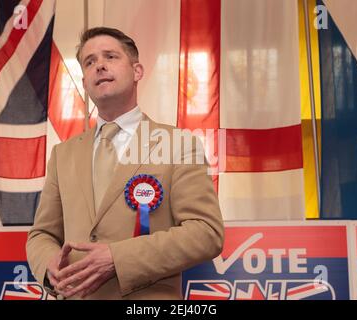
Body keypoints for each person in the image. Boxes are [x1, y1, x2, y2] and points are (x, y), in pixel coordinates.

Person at [26, 27, 224, 300]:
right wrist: (48, 267)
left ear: (137, 71)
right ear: (84, 82)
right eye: (90, 61)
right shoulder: (63, 154)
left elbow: (206, 233)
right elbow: (42, 234)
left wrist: (117, 258)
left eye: (110, 56)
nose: (100, 66)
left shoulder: (178, 144)